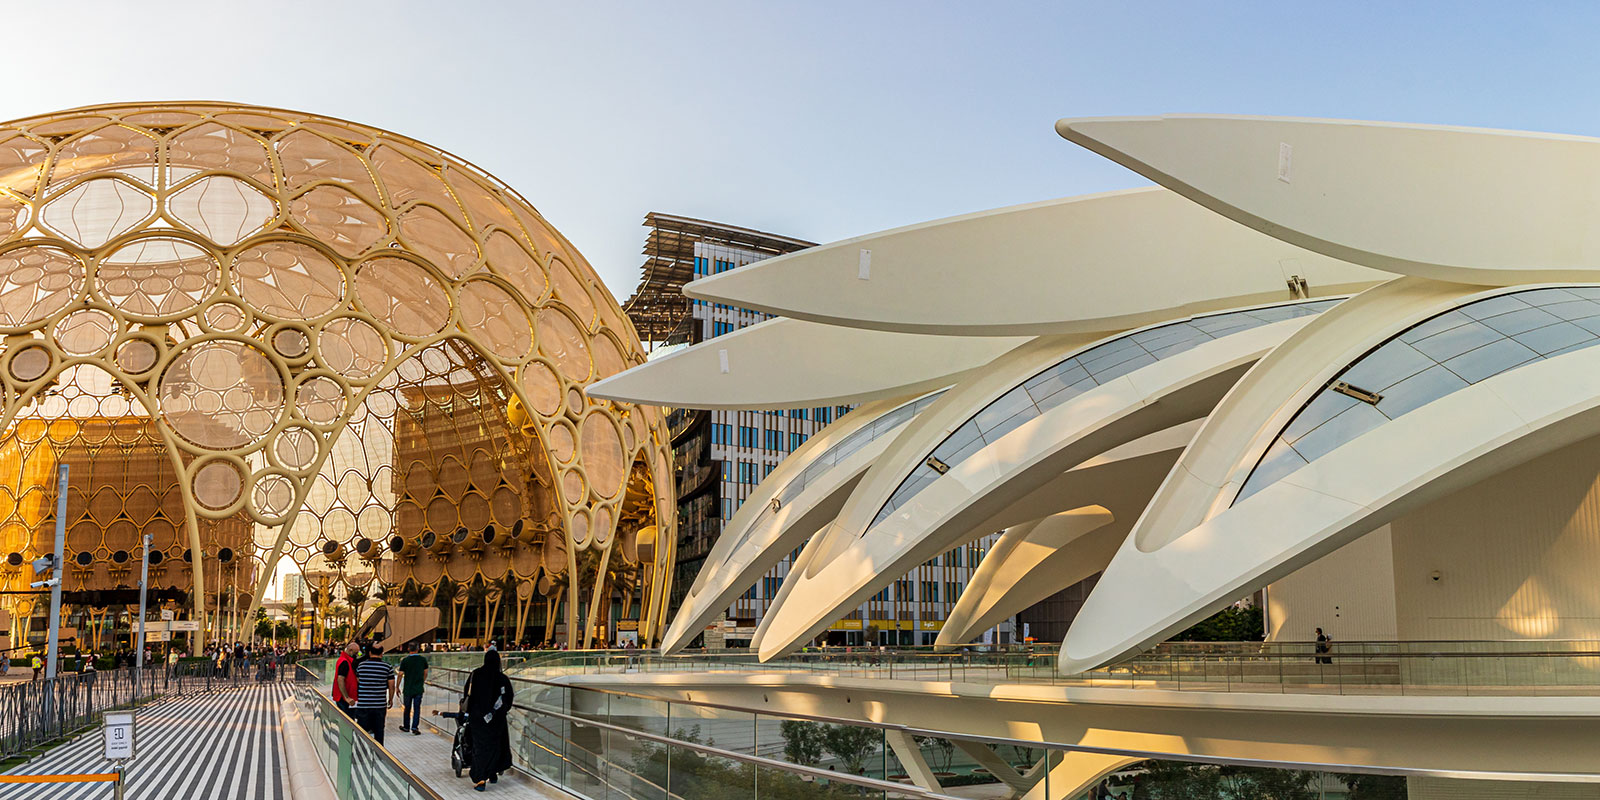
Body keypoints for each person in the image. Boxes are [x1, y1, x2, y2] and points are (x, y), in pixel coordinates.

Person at [464, 650, 515, 791]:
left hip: (477, 719)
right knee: (496, 746)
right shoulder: (502, 678)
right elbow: (508, 698)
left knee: (480, 747)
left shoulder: (476, 675)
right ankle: (492, 773)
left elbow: (467, 694)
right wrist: (500, 711)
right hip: (496, 721)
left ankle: (481, 778)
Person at [352, 645, 396, 744]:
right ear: (381, 654)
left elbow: (358, 680)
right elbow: (391, 685)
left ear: (370, 653)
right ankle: (378, 755)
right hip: (379, 705)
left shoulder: (361, 666)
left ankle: (360, 752)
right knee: (379, 731)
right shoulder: (387, 666)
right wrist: (391, 699)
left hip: (364, 704)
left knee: (362, 731)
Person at [396, 643, 429, 735]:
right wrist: (422, 681)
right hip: (418, 688)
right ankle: (415, 727)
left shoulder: (405, 660)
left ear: (408, 649)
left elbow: (400, 674)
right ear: (418, 649)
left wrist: (397, 687)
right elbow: (425, 672)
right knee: (417, 708)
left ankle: (406, 726)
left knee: (407, 708)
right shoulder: (422, 660)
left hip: (408, 688)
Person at [332, 642, 360, 715]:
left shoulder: (344, 660)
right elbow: (340, 679)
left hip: (345, 697)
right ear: (350, 650)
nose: (356, 655)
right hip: (345, 698)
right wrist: (346, 697)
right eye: (355, 653)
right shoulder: (344, 662)